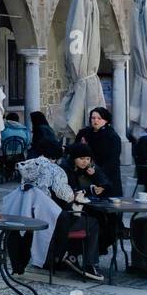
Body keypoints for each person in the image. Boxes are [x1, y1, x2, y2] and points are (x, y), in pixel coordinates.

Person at [16, 138, 103, 281]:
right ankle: (88, 263)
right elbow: (67, 195)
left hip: (29, 215)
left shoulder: (28, 166)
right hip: (52, 219)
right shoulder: (56, 170)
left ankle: (68, 255)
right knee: (92, 223)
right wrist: (76, 194)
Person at [72, 107, 124, 198]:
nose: (95, 120)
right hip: (86, 176)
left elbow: (113, 160)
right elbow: (75, 151)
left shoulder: (112, 137)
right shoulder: (84, 133)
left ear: (106, 120)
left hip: (107, 177)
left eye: (99, 118)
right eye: (93, 118)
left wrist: (97, 172)